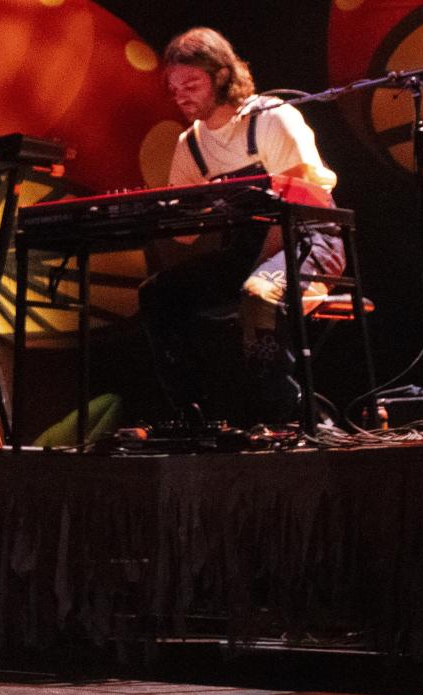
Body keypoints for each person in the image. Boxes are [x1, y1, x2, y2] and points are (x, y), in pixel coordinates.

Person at [139, 27, 344, 427]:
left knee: (259, 293)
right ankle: (192, 414)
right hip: (248, 250)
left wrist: (257, 267)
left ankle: (293, 414)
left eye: (192, 84)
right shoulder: (191, 144)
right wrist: (157, 213)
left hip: (309, 238)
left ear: (220, 76)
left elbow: (304, 197)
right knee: (158, 295)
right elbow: (184, 233)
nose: (181, 96)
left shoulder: (272, 119)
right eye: (175, 87)